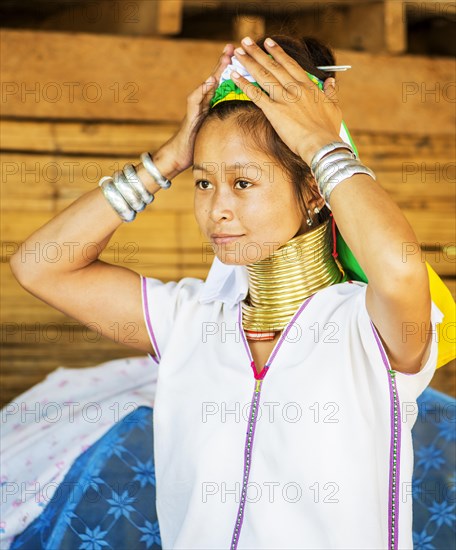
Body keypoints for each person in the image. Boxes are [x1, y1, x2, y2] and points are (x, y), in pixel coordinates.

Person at [4, 34, 452, 549]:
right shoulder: (190, 321)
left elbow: (398, 272)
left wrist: (321, 143)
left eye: (243, 183)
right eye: (202, 182)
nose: (217, 207)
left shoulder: (368, 332)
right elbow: (40, 267)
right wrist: (168, 159)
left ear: (312, 190)